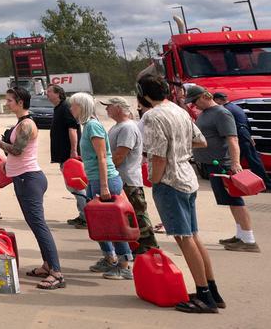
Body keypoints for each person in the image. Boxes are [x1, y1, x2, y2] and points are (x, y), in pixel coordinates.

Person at [139, 76, 224, 313]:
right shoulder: (179, 111)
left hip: (170, 181)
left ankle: (204, 295)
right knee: (193, 236)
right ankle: (212, 291)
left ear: (144, 94)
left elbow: (158, 156)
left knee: (184, 238)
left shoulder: (154, 116)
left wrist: (154, 180)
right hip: (187, 177)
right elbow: (200, 141)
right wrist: (180, 147)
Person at [0, 87, 65, 289]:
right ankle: (48, 265)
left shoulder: (27, 124)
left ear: (20, 102)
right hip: (23, 178)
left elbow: (17, 151)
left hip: (29, 179)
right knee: (34, 224)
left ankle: (56, 273)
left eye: (9, 100)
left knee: (39, 225)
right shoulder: (21, 123)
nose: (6, 103)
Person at [68, 92, 133, 279]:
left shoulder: (93, 126)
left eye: (73, 105)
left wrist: (104, 186)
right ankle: (109, 257)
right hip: (94, 180)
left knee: (113, 224)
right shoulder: (87, 126)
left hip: (105, 181)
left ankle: (124, 264)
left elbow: (102, 157)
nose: (71, 109)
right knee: (99, 223)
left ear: (82, 107)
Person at [189, 87, 259, 252]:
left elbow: (232, 139)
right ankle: (241, 235)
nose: (194, 105)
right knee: (230, 201)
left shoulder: (221, 113)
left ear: (205, 96)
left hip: (223, 164)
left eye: (194, 101)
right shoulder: (208, 113)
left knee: (235, 200)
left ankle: (249, 240)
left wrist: (235, 163)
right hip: (215, 164)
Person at [103, 96, 158, 253]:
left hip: (128, 180)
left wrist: (105, 171)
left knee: (137, 214)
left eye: (109, 106)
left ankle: (149, 248)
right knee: (128, 216)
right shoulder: (118, 126)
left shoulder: (127, 128)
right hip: (122, 179)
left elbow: (120, 155)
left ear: (118, 108)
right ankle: (136, 246)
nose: (106, 109)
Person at [213, 91, 269, 188]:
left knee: (250, 160)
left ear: (218, 100)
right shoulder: (236, 107)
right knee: (249, 159)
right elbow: (246, 121)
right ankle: (236, 180)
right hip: (245, 133)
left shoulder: (225, 110)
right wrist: (249, 136)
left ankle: (264, 183)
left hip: (240, 135)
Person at [47, 84, 85, 226]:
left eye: (49, 91)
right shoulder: (58, 108)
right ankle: (83, 214)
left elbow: (73, 129)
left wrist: (74, 151)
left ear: (58, 94)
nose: (47, 94)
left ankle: (86, 217)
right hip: (63, 155)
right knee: (72, 186)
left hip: (69, 156)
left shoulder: (65, 107)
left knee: (76, 186)